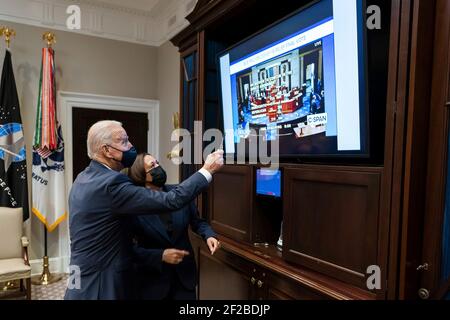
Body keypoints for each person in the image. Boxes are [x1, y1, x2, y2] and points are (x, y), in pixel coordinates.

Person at [64, 120, 224, 300]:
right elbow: (172, 200)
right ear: (106, 150)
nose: (131, 146)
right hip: (101, 282)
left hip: (80, 276)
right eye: (123, 141)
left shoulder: (83, 178)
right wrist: (207, 170)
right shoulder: (111, 184)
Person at [128, 153, 219, 300]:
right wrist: (160, 256)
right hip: (153, 283)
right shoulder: (136, 206)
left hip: (184, 279)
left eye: (157, 163)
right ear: (141, 176)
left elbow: (197, 221)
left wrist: (209, 234)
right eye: (152, 166)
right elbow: (129, 249)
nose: (158, 167)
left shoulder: (178, 192)